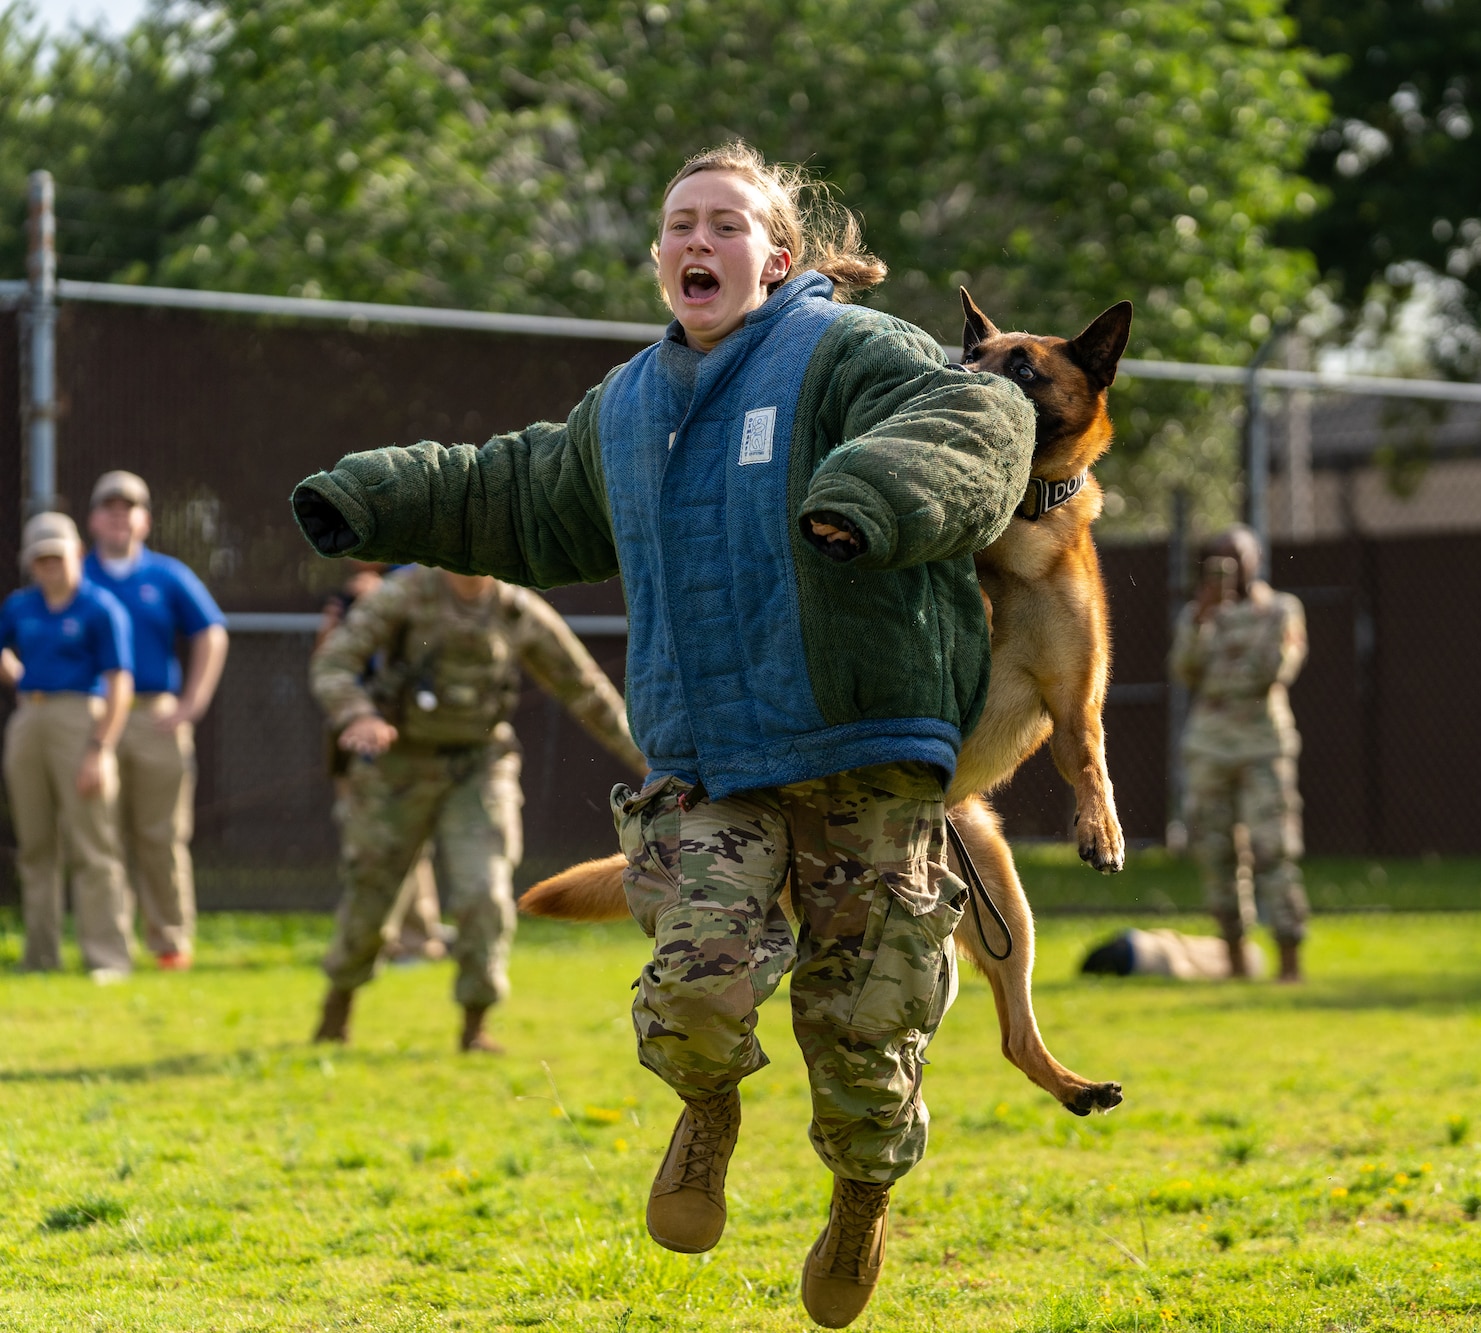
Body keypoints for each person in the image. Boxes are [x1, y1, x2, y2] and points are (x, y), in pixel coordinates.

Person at [287, 141, 1034, 1328]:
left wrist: (877, 494)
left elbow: (979, 411)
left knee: (863, 1029)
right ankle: (709, 1110)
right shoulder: (629, 406)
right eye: (680, 224)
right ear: (656, 259)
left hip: (862, 742)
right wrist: (376, 496)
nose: (699, 241)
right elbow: (515, 489)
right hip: (709, 757)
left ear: (776, 257)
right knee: (694, 994)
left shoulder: (846, 349)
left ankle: (858, 1196)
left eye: (726, 225)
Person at [308, 564, 645, 1051]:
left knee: (485, 891)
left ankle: (475, 1025)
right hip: (398, 765)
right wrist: (357, 714)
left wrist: (652, 760)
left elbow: (585, 688)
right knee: (372, 896)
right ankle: (338, 1005)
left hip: (478, 766)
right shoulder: (403, 595)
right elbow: (333, 664)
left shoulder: (515, 608)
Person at [82, 470, 228, 970]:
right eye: (110, 507)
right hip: (93, 718)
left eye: (131, 508)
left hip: (155, 716)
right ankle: (108, 948)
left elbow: (211, 632)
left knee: (160, 834)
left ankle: (169, 942)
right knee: (100, 835)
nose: (120, 516)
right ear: (93, 518)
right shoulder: (75, 575)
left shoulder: (167, 575)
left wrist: (192, 702)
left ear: (145, 520)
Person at [1169, 525, 1310, 983]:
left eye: (1238, 556)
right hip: (1209, 748)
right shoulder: (1198, 615)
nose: (1229, 566)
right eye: (1219, 558)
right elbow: (1184, 671)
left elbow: (1274, 669)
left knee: (1274, 849)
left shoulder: (1281, 610)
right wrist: (1203, 620)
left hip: (1262, 747)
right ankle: (1235, 962)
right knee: (1216, 853)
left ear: (1257, 559)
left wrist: (1225, 656)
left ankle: (1290, 960)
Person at [0, 511, 136, 980]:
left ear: (77, 553)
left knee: (93, 845)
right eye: (40, 559)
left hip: (82, 719)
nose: (49, 566)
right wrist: (17, 674)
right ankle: (40, 954)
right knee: (35, 846)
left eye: (56, 556)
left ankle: (108, 957)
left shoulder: (102, 609)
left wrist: (99, 749)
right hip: (28, 718)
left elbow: (120, 683)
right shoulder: (19, 607)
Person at [316, 560, 448, 964]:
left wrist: (380, 598)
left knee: (404, 837)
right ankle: (382, 940)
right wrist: (341, 621)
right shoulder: (352, 594)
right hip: (356, 731)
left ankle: (417, 939)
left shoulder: (418, 579)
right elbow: (327, 663)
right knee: (365, 839)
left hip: (405, 732)